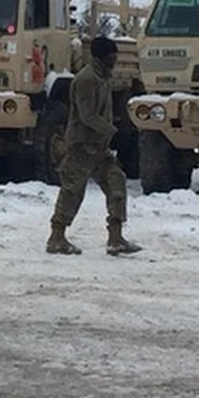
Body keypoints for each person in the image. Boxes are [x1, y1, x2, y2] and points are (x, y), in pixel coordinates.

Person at [46, 35, 142, 256]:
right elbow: (87, 115)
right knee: (72, 191)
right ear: (100, 57)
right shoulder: (86, 79)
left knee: (116, 184)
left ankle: (116, 238)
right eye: (111, 56)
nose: (115, 59)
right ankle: (56, 237)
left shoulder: (104, 78)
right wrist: (112, 131)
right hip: (81, 146)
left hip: (99, 147)